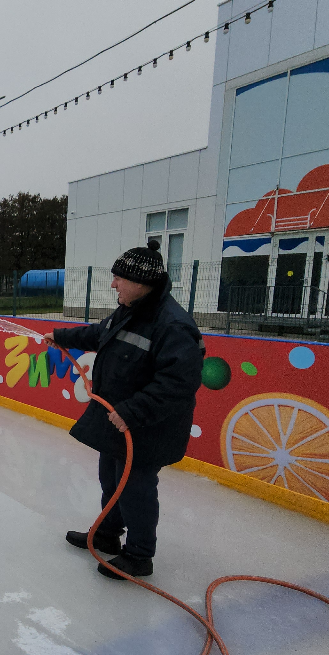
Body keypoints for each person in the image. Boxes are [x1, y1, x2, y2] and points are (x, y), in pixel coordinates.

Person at [43, 239, 203, 580]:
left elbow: (178, 383)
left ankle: (140, 555)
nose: (113, 284)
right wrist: (63, 336)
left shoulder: (173, 326)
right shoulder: (131, 310)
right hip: (119, 423)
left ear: (142, 283)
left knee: (135, 490)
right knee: (110, 480)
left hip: (147, 427)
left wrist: (133, 410)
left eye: (119, 278)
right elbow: (100, 334)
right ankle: (107, 534)